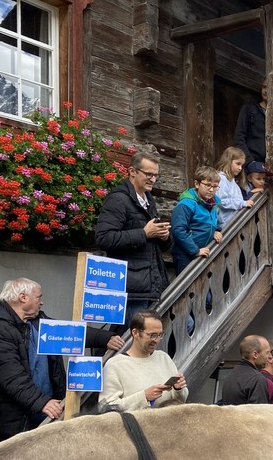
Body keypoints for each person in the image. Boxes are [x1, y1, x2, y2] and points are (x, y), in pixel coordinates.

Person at [0, 278, 121, 442]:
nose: (41, 302)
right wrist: (41, 402)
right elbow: (11, 376)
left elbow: (66, 333)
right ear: (23, 297)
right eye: (39, 297)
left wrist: (104, 338)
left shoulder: (33, 321)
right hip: (14, 418)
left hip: (42, 408)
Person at [94, 151, 171, 328]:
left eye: (155, 175)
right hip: (129, 286)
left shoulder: (148, 199)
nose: (152, 179)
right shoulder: (118, 200)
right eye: (148, 174)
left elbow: (155, 242)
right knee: (127, 339)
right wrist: (144, 233)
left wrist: (164, 236)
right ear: (132, 171)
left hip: (150, 283)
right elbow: (104, 238)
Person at [99, 310, 187, 412]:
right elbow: (106, 408)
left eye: (160, 335)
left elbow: (181, 400)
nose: (157, 340)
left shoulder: (164, 358)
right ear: (135, 333)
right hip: (133, 427)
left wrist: (179, 389)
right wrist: (144, 397)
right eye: (152, 335)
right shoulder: (114, 365)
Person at [170, 165, 222, 275]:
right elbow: (178, 230)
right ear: (197, 184)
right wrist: (195, 250)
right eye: (207, 185)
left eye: (215, 186)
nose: (211, 190)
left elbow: (212, 222)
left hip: (204, 252)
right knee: (186, 287)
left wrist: (216, 230)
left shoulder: (214, 204)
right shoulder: (186, 204)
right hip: (185, 254)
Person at [233, 79, 268, 167]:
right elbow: (239, 138)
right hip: (253, 164)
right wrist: (250, 162)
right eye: (264, 87)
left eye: (270, 88)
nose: (266, 91)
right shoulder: (249, 109)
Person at [214, 146, 249, 230]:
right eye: (238, 164)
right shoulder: (221, 179)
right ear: (229, 161)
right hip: (225, 225)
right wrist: (242, 203)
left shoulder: (232, 181)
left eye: (242, 165)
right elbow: (221, 201)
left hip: (233, 222)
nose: (240, 168)